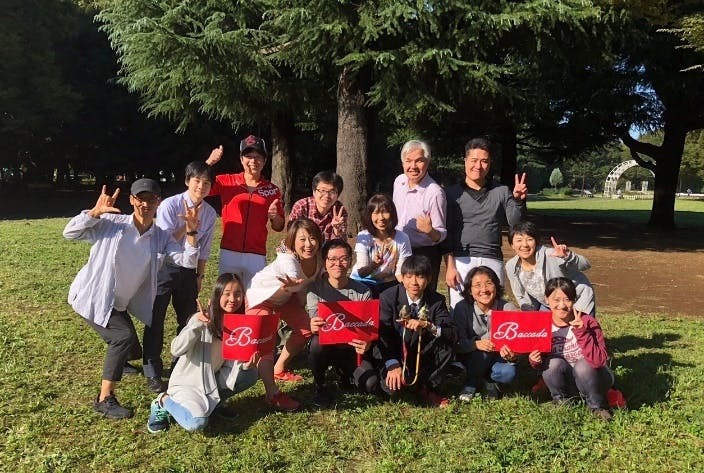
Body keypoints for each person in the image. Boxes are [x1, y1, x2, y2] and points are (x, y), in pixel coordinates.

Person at [64, 179, 199, 419]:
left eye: (151, 199)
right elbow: (70, 232)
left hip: (119, 303)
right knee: (122, 338)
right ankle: (104, 399)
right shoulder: (111, 222)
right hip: (94, 296)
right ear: (132, 199)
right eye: (140, 198)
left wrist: (191, 231)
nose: (145, 204)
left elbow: (187, 261)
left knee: (133, 349)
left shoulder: (161, 236)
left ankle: (121, 358)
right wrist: (94, 213)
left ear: (158, 202)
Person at [146, 273, 259, 433]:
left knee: (250, 374)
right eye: (227, 294)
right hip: (188, 385)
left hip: (211, 381)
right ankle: (163, 401)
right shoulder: (200, 319)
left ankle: (215, 404)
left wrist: (245, 365)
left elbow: (231, 364)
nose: (233, 299)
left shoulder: (238, 325)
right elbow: (176, 349)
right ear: (217, 295)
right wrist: (196, 326)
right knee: (197, 423)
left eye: (238, 294)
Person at [143, 161, 218, 393]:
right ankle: (152, 370)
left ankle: (180, 364)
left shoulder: (210, 213)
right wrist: (187, 226)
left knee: (187, 320)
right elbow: (163, 243)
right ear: (187, 181)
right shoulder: (170, 205)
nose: (201, 186)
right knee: (155, 318)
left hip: (189, 271)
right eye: (197, 181)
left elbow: (205, 247)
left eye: (206, 183)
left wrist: (200, 274)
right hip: (164, 268)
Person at [245, 219, 324, 406]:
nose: (308, 244)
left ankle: (278, 368)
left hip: (286, 299)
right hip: (261, 296)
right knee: (265, 342)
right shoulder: (287, 259)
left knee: (306, 328)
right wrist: (294, 282)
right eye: (302, 239)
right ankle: (272, 394)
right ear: (292, 242)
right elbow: (292, 273)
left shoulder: (320, 258)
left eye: (312, 238)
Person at [445, 136, 528, 308]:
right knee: (459, 310)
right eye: (474, 160)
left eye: (484, 161)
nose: (478, 166)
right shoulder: (451, 193)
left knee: (492, 310)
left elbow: (515, 223)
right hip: (461, 259)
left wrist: (518, 201)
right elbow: (447, 232)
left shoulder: (502, 191)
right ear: (465, 161)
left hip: (492, 257)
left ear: (490, 163)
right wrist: (450, 266)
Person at [375, 255, 456, 408]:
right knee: (392, 390)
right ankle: (405, 379)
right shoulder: (388, 297)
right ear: (402, 277)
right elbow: (383, 335)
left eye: (420, 277)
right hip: (396, 352)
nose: (414, 282)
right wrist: (392, 363)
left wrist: (428, 325)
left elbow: (450, 332)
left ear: (429, 279)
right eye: (409, 276)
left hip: (423, 353)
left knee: (446, 345)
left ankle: (428, 386)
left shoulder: (436, 300)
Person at [528, 278, 613, 421]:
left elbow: (599, 361)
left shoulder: (587, 321)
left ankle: (597, 406)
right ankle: (562, 401)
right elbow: (542, 366)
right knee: (552, 363)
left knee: (583, 365)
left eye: (567, 299)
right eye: (556, 300)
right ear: (546, 299)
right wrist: (534, 360)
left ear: (574, 300)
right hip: (569, 380)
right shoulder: (542, 325)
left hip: (596, 379)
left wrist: (582, 332)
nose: (562, 305)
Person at [205, 136, 285, 286]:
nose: (253, 161)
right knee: (227, 293)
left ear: (265, 161)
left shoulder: (272, 190)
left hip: (256, 254)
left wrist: (275, 217)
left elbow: (279, 226)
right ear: (241, 159)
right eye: (248, 156)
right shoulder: (226, 181)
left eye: (258, 157)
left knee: (254, 296)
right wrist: (209, 163)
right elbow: (200, 188)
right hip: (229, 251)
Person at [307, 239, 374, 407]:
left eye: (343, 259)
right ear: (324, 262)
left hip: (352, 350)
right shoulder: (314, 289)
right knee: (316, 344)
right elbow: (314, 320)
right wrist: (312, 324)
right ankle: (320, 383)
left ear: (350, 261)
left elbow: (368, 329)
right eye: (332, 259)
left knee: (370, 384)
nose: (338, 264)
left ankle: (344, 374)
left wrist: (367, 342)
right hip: (326, 348)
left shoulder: (363, 291)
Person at [453, 266, 518, 402]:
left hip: (498, 358)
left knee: (508, 373)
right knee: (482, 354)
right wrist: (475, 344)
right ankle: (471, 383)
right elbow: (457, 343)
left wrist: (513, 357)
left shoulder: (508, 308)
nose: (484, 289)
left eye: (489, 283)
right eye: (477, 285)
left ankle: (489, 381)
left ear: (496, 286)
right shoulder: (461, 308)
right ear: (470, 290)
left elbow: (517, 343)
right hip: (473, 356)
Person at [505, 221, 596, 315]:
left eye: (529, 239)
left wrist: (568, 256)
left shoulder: (552, 254)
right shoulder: (511, 266)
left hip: (577, 300)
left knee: (580, 324)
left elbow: (585, 265)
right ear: (512, 245)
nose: (525, 245)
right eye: (519, 240)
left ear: (536, 242)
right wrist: (528, 310)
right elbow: (520, 295)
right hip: (551, 305)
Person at [392, 140, 447, 292]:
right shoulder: (399, 181)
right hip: (397, 250)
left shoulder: (435, 193)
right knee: (397, 296)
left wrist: (430, 231)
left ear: (427, 162)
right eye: (408, 161)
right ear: (403, 163)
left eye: (419, 161)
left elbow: (441, 234)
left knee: (423, 299)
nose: (413, 166)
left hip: (423, 254)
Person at [350, 193, 412, 297]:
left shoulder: (402, 238)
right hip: (363, 282)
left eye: (385, 212)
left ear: (392, 214)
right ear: (370, 215)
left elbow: (399, 272)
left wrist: (409, 288)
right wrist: (374, 264)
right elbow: (361, 273)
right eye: (376, 213)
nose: (381, 218)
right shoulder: (364, 236)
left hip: (388, 283)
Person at [281, 170, 348, 245]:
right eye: (322, 190)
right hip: (300, 247)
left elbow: (341, 245)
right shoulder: (302, 206)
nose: (327, 196)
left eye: (332, 192)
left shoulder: (339, 211)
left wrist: (337, 231)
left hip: (325, 249)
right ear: (314, 192)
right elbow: (292, 236)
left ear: (337, 195)